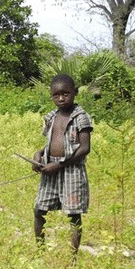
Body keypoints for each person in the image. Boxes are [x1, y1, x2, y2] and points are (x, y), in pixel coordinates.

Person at [32, 73, 93, 255]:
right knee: (39, 210)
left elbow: (84, 148)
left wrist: (59, 165)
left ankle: (72, 257)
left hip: (71, 171)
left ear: (74, 93)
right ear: (51, 96)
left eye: (65, 94)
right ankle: (40, 251)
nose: (61, 98)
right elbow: (50, 143)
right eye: (56, 95)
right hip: (49, 170)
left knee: (73, 214)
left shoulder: (81, 117)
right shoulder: (50, 117)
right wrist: (38, 155)